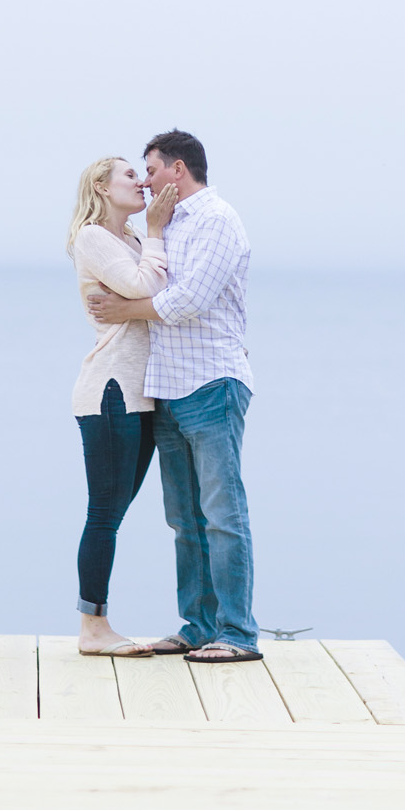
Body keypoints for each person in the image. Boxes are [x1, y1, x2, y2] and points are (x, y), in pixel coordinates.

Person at [86, 128, 260, 664]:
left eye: (151, 168)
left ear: (177, 170)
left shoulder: (216, 219)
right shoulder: (164, 226)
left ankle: (237, 634)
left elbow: (188, 300)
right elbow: (147, 281)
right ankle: (199, 624)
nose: (145, 180)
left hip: (211, 382)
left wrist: (124, 311)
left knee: (222, 514)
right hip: (166, 387)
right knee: (184, 519)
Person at [67, 154, 178, 657]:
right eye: (129, 175)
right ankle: (93, 629)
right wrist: (155, 230)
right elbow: (142, 287)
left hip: (143, 395)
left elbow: (164, 297)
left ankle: (97, 624)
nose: (142, 181)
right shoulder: (93, 236)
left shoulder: (132, 240)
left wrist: (149, 236)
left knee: (115, 512)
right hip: (110, 389)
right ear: (101, 187)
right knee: (104, 513)